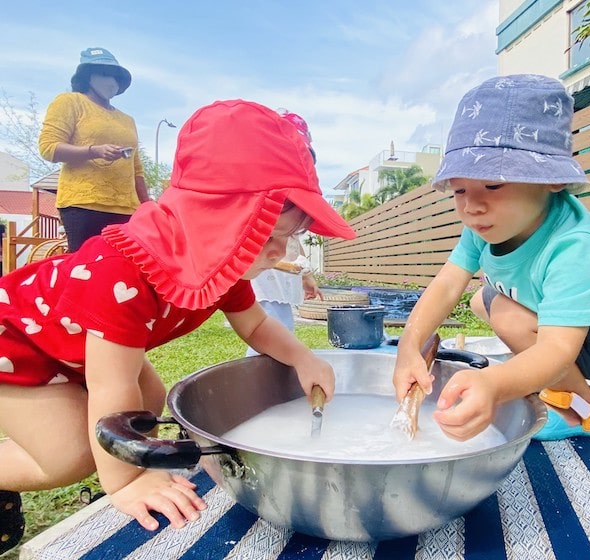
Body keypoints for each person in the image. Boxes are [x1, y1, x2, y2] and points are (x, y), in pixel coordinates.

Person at [0, 99, 356, 555]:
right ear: (212, 221)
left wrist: (303, 357)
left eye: (288, 238)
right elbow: (110, 388)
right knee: (69, 455)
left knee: (146, 406)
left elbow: (256, 326)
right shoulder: (119, 270)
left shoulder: (218, 263)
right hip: (20, 342)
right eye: (267, 237)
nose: (280, 253)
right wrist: (129, 480)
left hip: (73, 343)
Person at [392, 74, 590, 443]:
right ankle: (561, 388)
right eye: (459, 189)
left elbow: (557, 348)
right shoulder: (483, 224)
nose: (472, 205)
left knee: (505, 312)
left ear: (552, 181)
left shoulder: (577, 244)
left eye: (494, 184)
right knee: (482, 299)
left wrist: (495, 384)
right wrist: (409, 345)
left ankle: (580, 410)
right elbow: (448, 282)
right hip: (587, 326)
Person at [38, 47, 151, 252]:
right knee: (85, 268)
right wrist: (94, 151)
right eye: (105, 74)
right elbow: (49, 148)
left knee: (123, 270)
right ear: (88, 76)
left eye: (116, 77)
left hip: (127, 209)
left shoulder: (127, 120)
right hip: (84, 206)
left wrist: (147, 205)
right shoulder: (69, 102)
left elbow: (137, 170)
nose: (112, 82)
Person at [245, 110, 321, 354]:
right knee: (269, 325)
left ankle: (276, 366)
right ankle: (263, 371)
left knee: (282, 325)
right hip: (267, 276)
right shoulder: (259, 196)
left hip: (284, 275)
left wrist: (306, 274)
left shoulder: (296, 203)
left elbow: (293, 238)